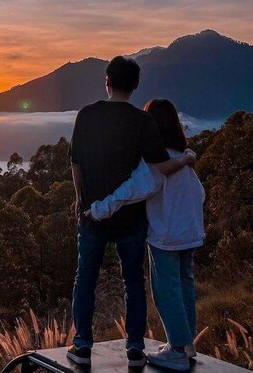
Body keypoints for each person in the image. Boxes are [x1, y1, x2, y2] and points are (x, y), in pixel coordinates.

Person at [66, 57, 197, 367]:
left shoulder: (86, 115)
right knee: (133, 281)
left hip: (91, 215)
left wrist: (78, 198)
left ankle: (82, 345)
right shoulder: (142, 121)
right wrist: (187, 157)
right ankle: (135, 348)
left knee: (85, 278)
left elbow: (76, 163)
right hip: (131, 218)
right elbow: (161, 166)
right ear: (136, 85)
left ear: (107, 80)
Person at [85, 98, 205, 371]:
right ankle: (186, 345)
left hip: (166, 236)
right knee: (185, 286)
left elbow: (131, 191)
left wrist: (97, 210)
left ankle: (175, 350)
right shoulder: (183, 158)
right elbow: (200, 194)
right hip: (191, 234)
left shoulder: (156, 162)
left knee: (166, 292)